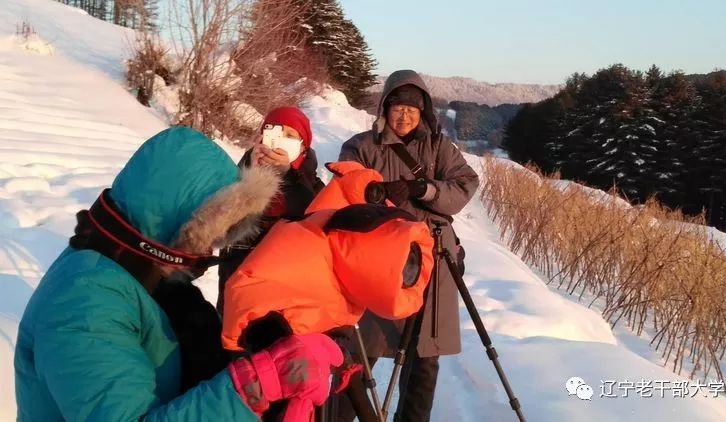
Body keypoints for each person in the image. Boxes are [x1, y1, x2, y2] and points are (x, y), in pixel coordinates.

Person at [14, 126, 342, 421]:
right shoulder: (84, 304)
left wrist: (265, 360)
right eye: (214, 228)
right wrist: (251, 387)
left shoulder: (142, 276)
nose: (214, 245)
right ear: (179, 219)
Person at [337, 69, 479, 421]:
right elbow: (345, 191)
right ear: (385, 108)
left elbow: (465, 184)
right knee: (359, 353)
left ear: (423, 113)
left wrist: (423, 189)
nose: (404, 116)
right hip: (378, 261)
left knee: (423, 359)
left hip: (431, 258)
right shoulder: (361, 146)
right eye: (398, 108)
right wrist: (382, 199)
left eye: (412, 111)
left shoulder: (438, 148)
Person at [217, 106, 324, 315]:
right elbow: (218, 222)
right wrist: (249, 175)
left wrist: (288, 177)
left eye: (290, 135)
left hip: (286, 295)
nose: (280, 140)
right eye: (274, 131)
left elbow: (312, 218)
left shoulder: (315, 188)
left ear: (303, 147)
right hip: (235, 288)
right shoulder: (234, 176)